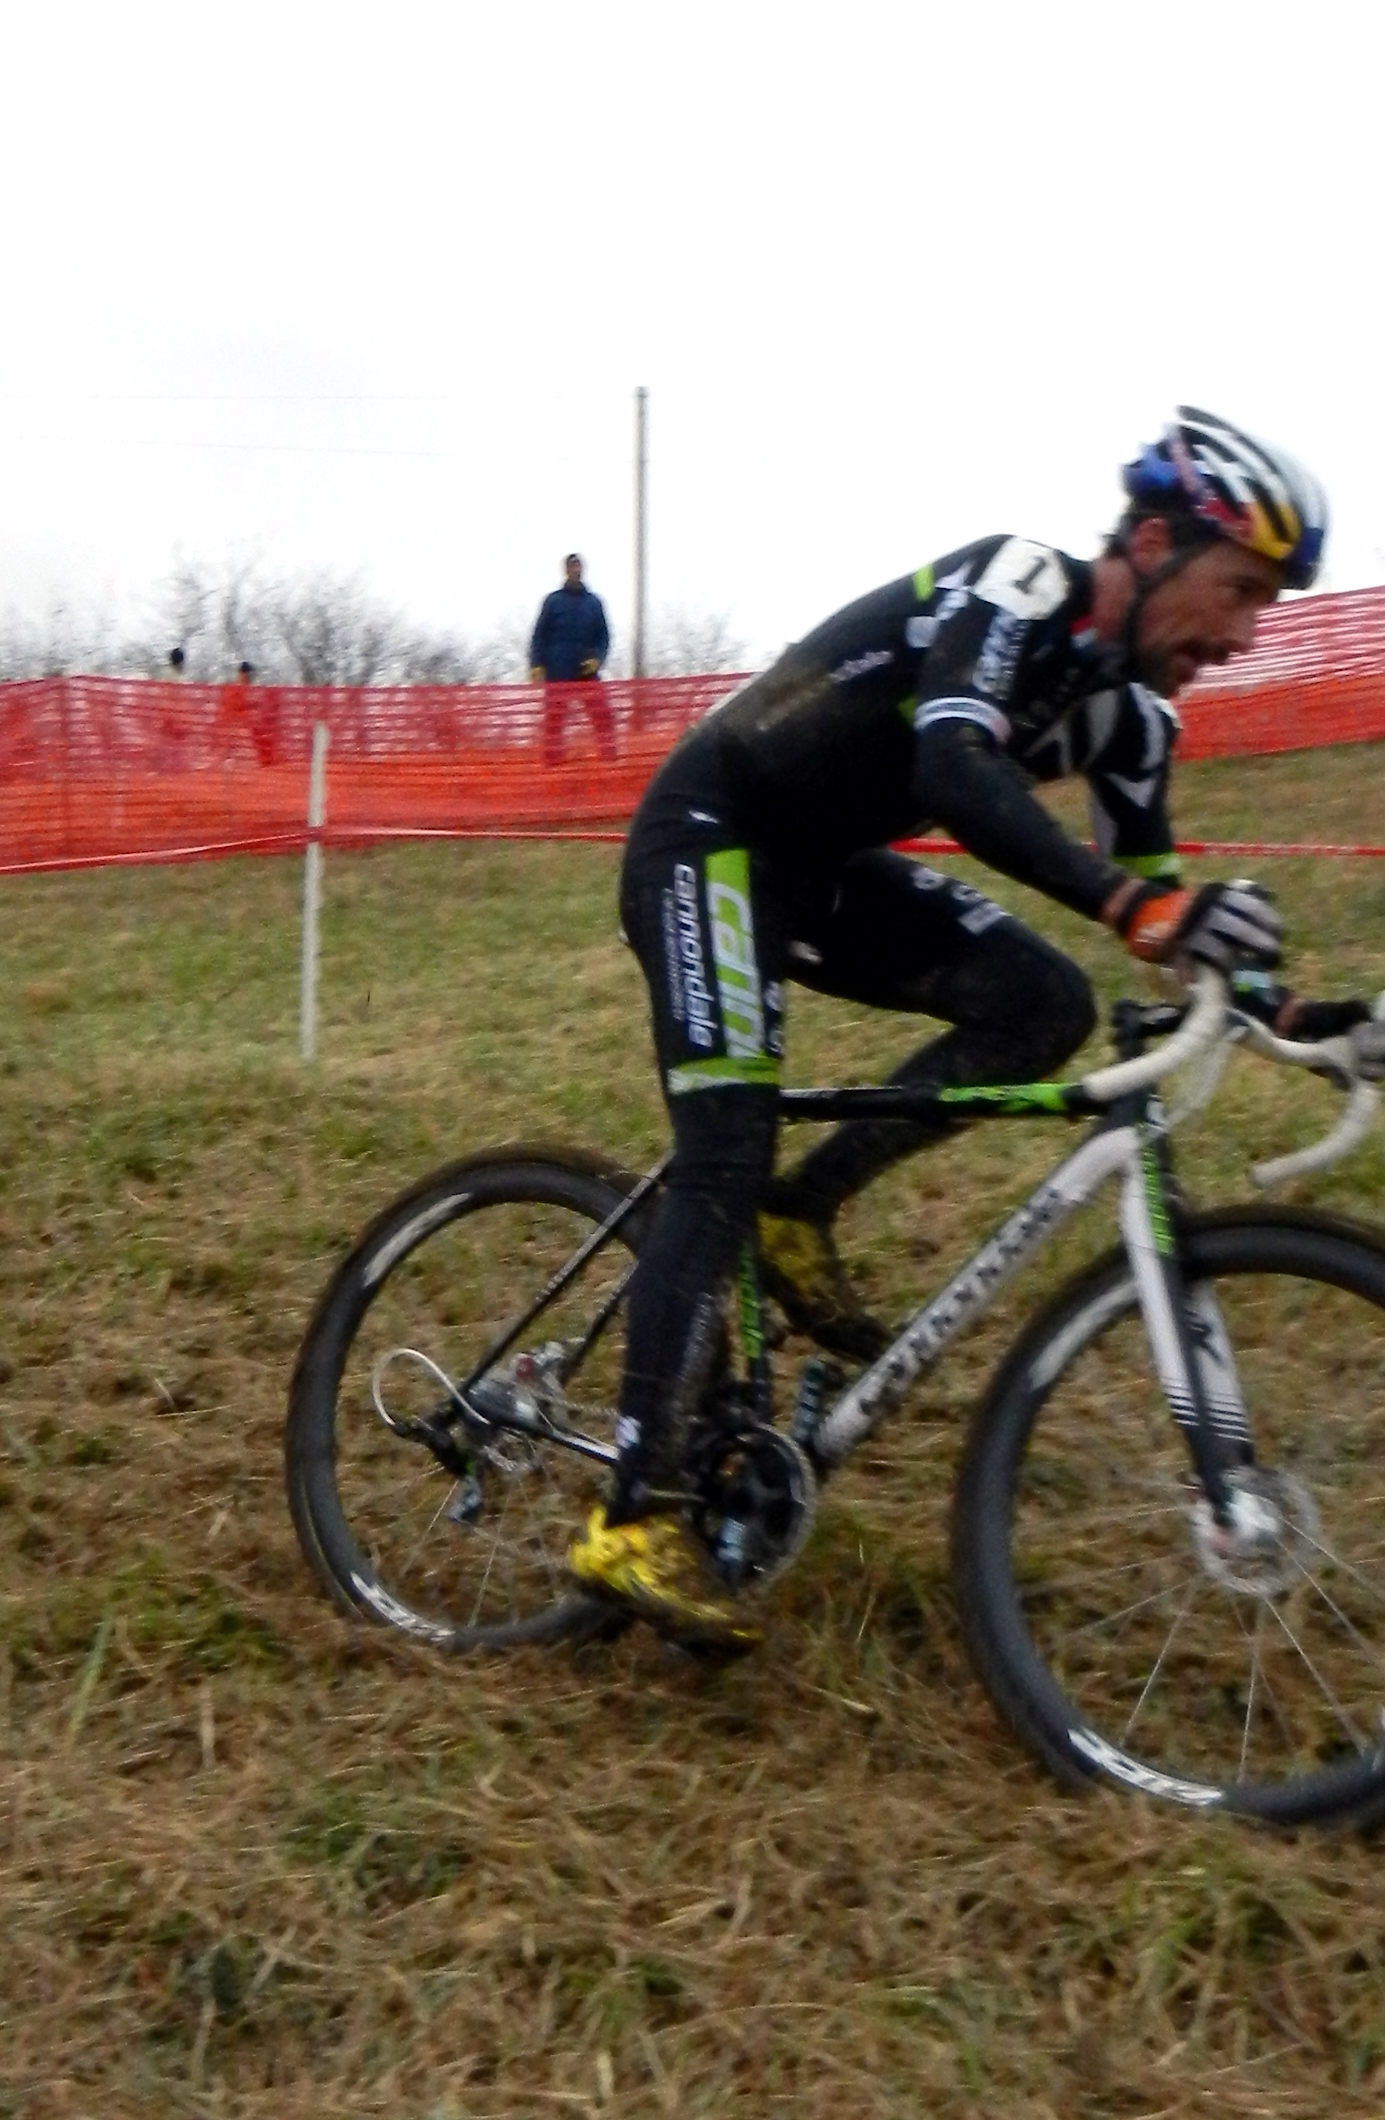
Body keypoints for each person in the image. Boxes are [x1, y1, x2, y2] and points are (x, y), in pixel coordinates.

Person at [566, 407, 1327, 1649]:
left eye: (1263, 610)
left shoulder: (1132, 720)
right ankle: (629, 1517)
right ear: (1148, 539)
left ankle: (795, 1213)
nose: (1240, 637)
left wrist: (1298, 1009)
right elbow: (953, 768)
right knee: (719, 1146)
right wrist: (1131, 902)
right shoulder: (1013, 580)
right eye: (1235, 591)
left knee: (1044, 1004)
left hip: (821, 865)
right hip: (712, 835)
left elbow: (1164, 904)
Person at [529, 550, 615, 763]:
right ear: (566, 570)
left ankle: (609, 759)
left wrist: (597, 658)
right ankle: (553, 764)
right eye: (572, 566)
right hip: (558, 669)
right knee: (554, 721)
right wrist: (536, 664)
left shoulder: (594, 603)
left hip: (586, 670)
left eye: (579, 566)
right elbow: (539, 635)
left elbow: (603, 636)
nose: (576, 570)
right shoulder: (553, 602)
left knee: (603, 715)